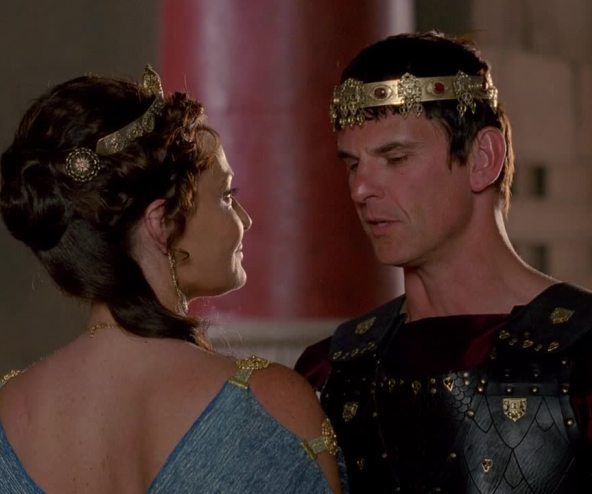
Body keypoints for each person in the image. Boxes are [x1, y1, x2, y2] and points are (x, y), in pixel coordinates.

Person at [295, 32, 592, 493]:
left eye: (395, 158)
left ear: (483, 159)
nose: (360, 188)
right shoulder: (331, 372)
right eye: (352, 164)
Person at [0, 67, 341, 493]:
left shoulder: (9, 413)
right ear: (161, 223)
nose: (246, 220)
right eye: (227, 195)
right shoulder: (275, 406)